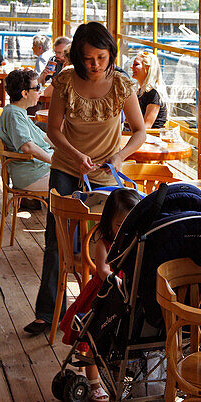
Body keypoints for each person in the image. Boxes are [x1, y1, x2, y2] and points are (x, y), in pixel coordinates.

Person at [25, 22, 147, 335]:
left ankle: (108, 307)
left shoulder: (121, 85)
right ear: (78, 57)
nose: (94, 65)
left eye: (101, 58)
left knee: (109, 241)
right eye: (88, 59)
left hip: (106, 174)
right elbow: (53, 129)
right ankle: (49, 311)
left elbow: (139, 130)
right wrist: (76, 156)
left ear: (111, 56)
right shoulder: (65, 80)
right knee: (58, 241)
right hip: (67, 167)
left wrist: (120, 157)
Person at [57, 188, 139, 402]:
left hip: (124, 298)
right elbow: (102, 270)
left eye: (129, 225)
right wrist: (117, 279)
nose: (124, 231)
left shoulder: (136, 244)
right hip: (103, 294)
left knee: (119, 340)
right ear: (108, 222)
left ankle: (116, 379)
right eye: (119, 225)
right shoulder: (104, 244)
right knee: (93, 340)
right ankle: (94, 384)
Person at [0, 68, 53, 196]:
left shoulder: (18, 112)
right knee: (78, 180)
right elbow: (27, 146)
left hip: (38, 169)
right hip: (32, 175)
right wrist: (55, 161)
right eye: (36, 88)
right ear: (24, 93)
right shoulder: (13, 115)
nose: (40, 91)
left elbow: (43, 137)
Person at [130, 50, 168, 129]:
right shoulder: (140, 91)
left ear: (147, 68)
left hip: (152, 138)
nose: (131, 67)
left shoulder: (154, 94)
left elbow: (146, 126)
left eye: (136, 64)